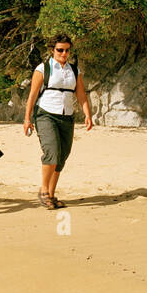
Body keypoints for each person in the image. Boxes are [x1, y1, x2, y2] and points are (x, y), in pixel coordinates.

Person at [24, 34, 93, 209]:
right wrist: (27, 119)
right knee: (52, 152)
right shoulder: (43, 69)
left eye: (67, 50)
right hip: (46, 113)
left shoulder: (74, 70)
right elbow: (32, 95)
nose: (63, 53)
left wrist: (87, 115)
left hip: (67, 115)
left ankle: (51, 195)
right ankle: (43, 191)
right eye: (60, 50)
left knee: (62, 156)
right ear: (52, 50)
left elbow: (81, 94)